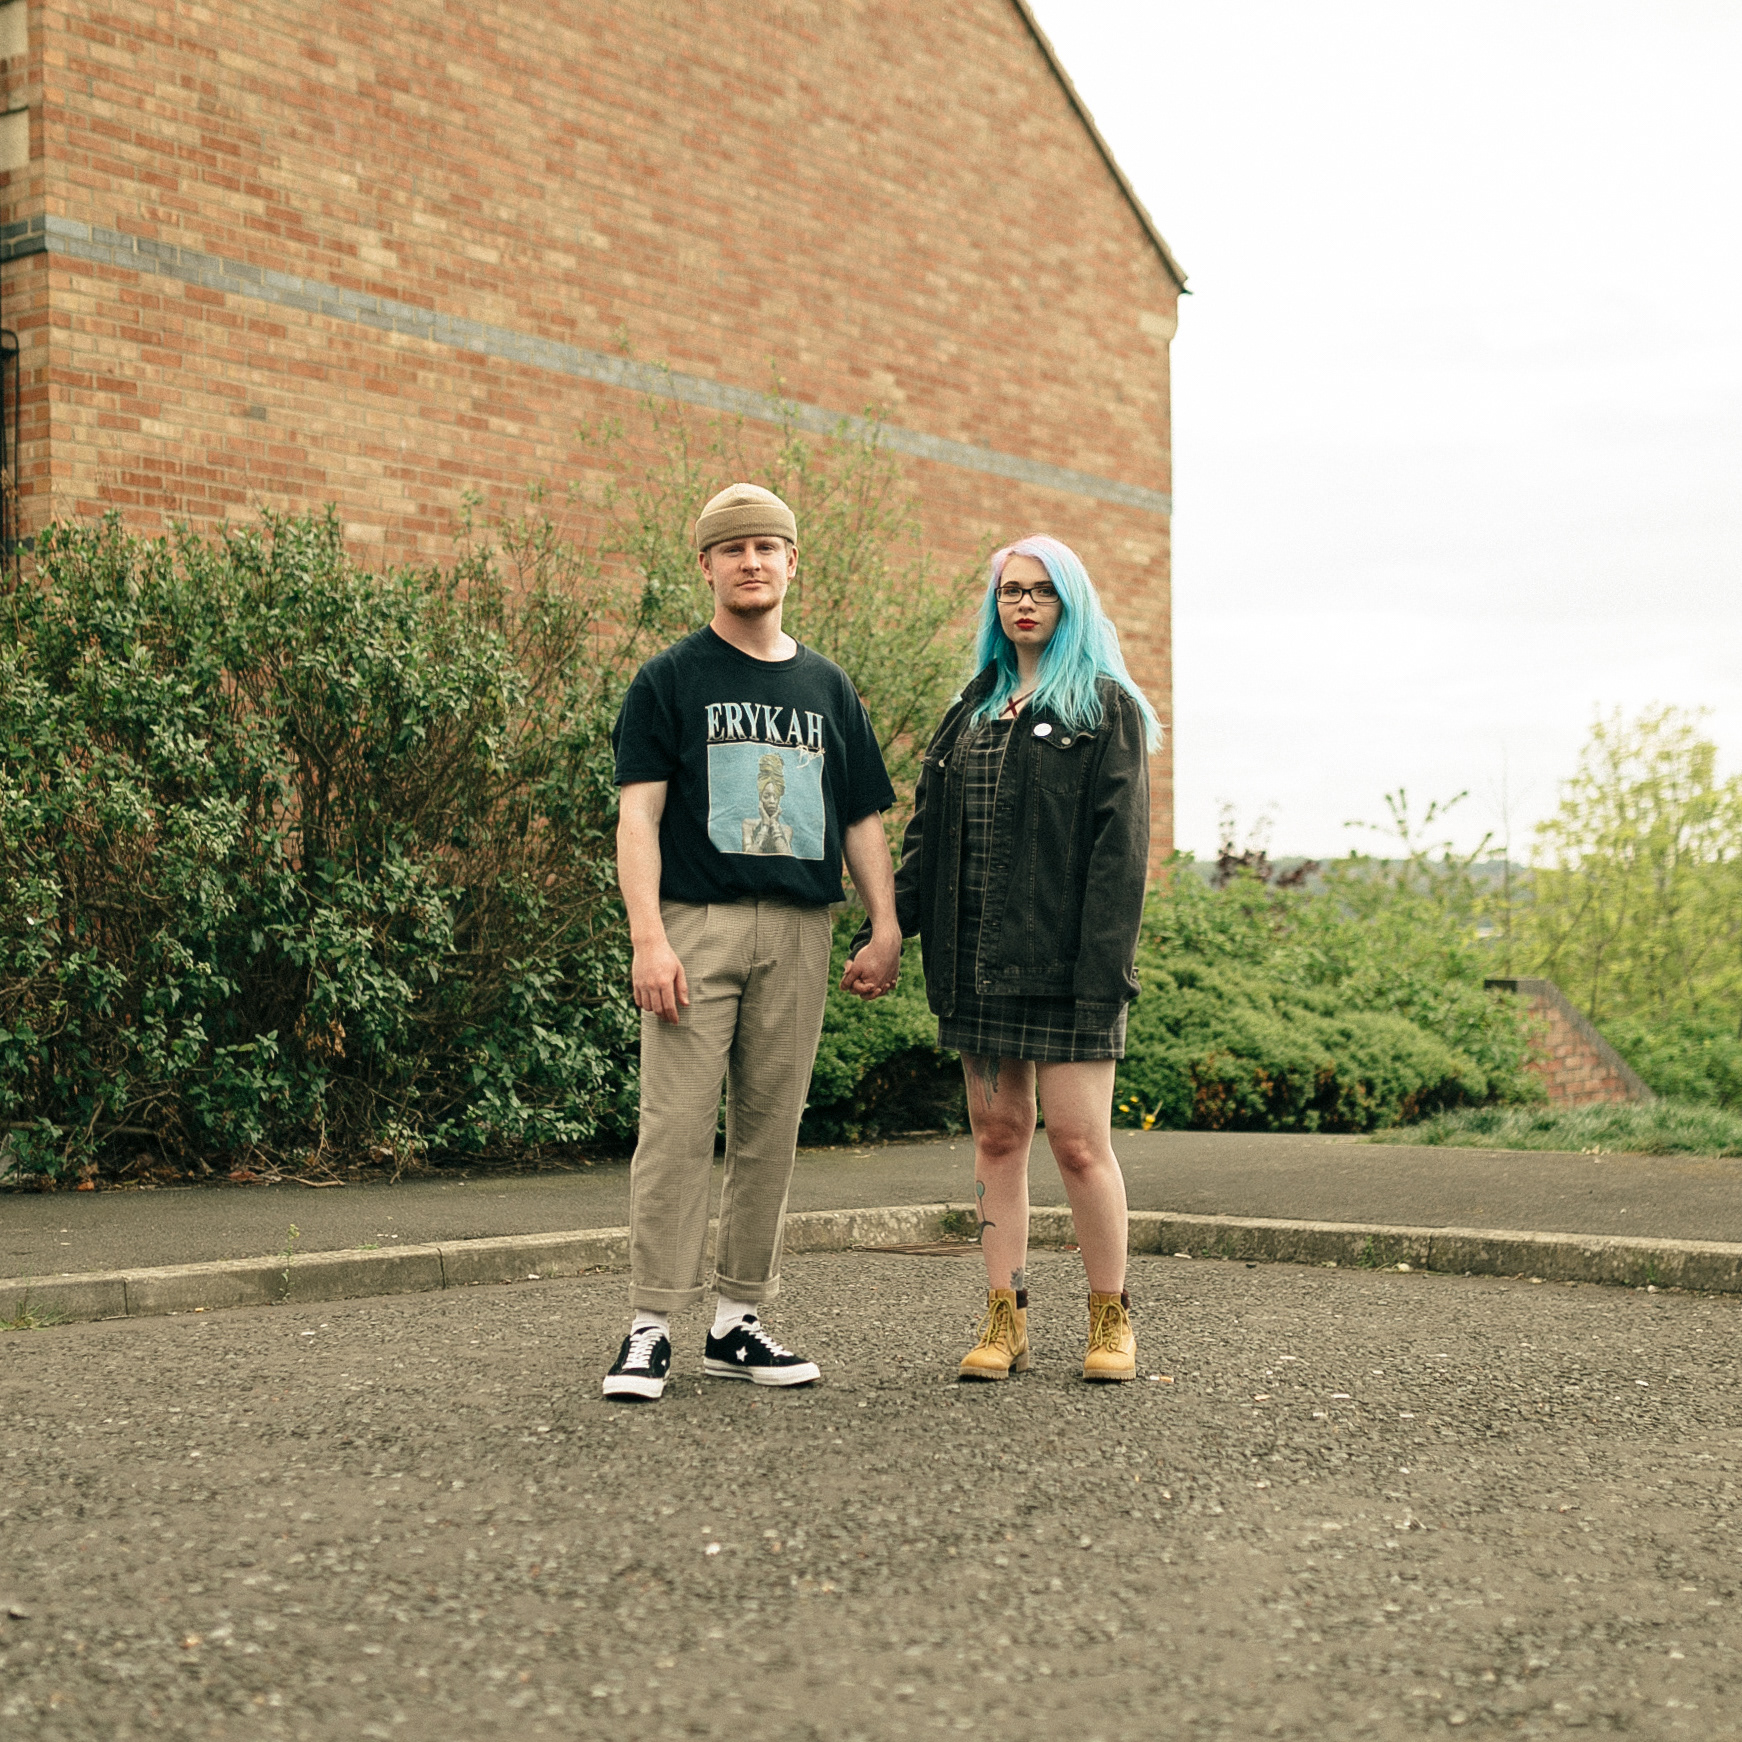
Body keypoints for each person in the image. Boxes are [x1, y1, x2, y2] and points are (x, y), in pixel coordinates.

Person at [603, 482, 903, 1401]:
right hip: (698, 925)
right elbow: (638, 819)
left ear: (792, 562)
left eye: (767, 546)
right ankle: (651, 1326)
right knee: (676, 1130)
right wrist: (649, 939)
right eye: (733, 549)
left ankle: (736, 1323)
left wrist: (885, 923)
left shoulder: (827, 688)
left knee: (771, 1132)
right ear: (705, 565)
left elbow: (860, 818)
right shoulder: (668, 679)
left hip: (802, 930)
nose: (751, 562)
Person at [866, 534, 1161, 1383]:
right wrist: (890, 930)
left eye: (1041, 591)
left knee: (1079, 1145)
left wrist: (1103, 980)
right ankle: (1006, 1318)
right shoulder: (970, 712)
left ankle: (1111, 1321)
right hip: (975, 966)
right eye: (1009, 592)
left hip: (1070, 971)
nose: (1023, 604)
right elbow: (927, 840)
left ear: (1071, 604)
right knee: (998, 1137)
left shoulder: (1104, 709)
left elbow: (1120, 857)